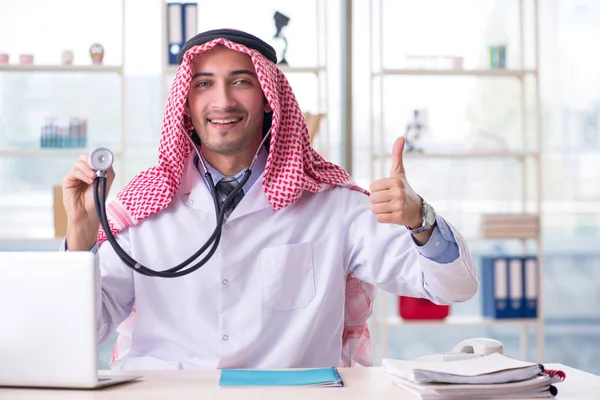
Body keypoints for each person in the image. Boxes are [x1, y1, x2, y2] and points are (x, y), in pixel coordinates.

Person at [61, 29, 478, 370]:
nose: (222, 101)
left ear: (268, 99)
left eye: (241, 81)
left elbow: (453, 286)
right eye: (204, 84)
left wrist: (419, 218)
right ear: (185, 105)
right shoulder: (142, 209)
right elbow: (81, 334)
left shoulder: (333, 205)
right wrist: (79, 243)